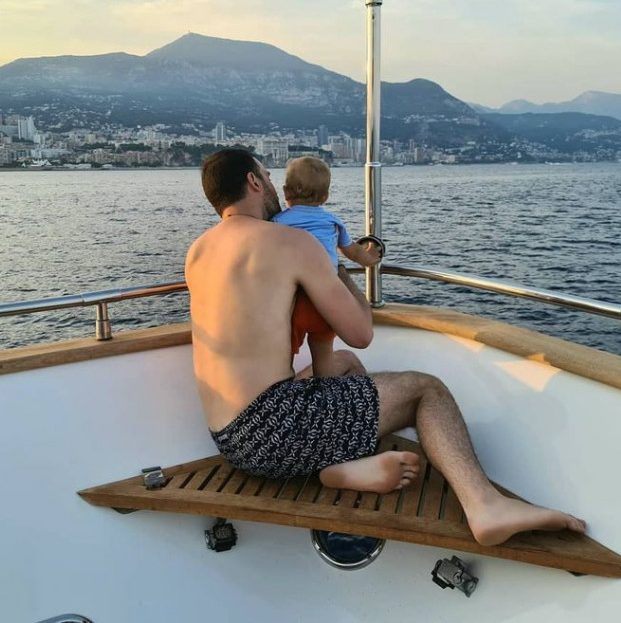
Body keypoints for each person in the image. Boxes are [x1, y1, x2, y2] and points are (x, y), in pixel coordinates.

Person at [185, 148, 586, 546]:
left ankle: (347, 465)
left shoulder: (198, 252)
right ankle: (485, 506)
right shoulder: (291, 242)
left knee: (344, 362)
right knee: (426, 390)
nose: (274, 184)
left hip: (230, 438)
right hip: (276, 430)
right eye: (268, 176)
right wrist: (337, 270)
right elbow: (361, 332)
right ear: (253, 182)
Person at [272, 156, 381, 378]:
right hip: (326, 301)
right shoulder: (332, 222)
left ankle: (286, 386)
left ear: (285, 192)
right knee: (323, 354)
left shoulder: (276, 222)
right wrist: (371, 257)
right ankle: (325, 389)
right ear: (325, 196)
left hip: (294, 301)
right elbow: (353, 252)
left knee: (284, 356)